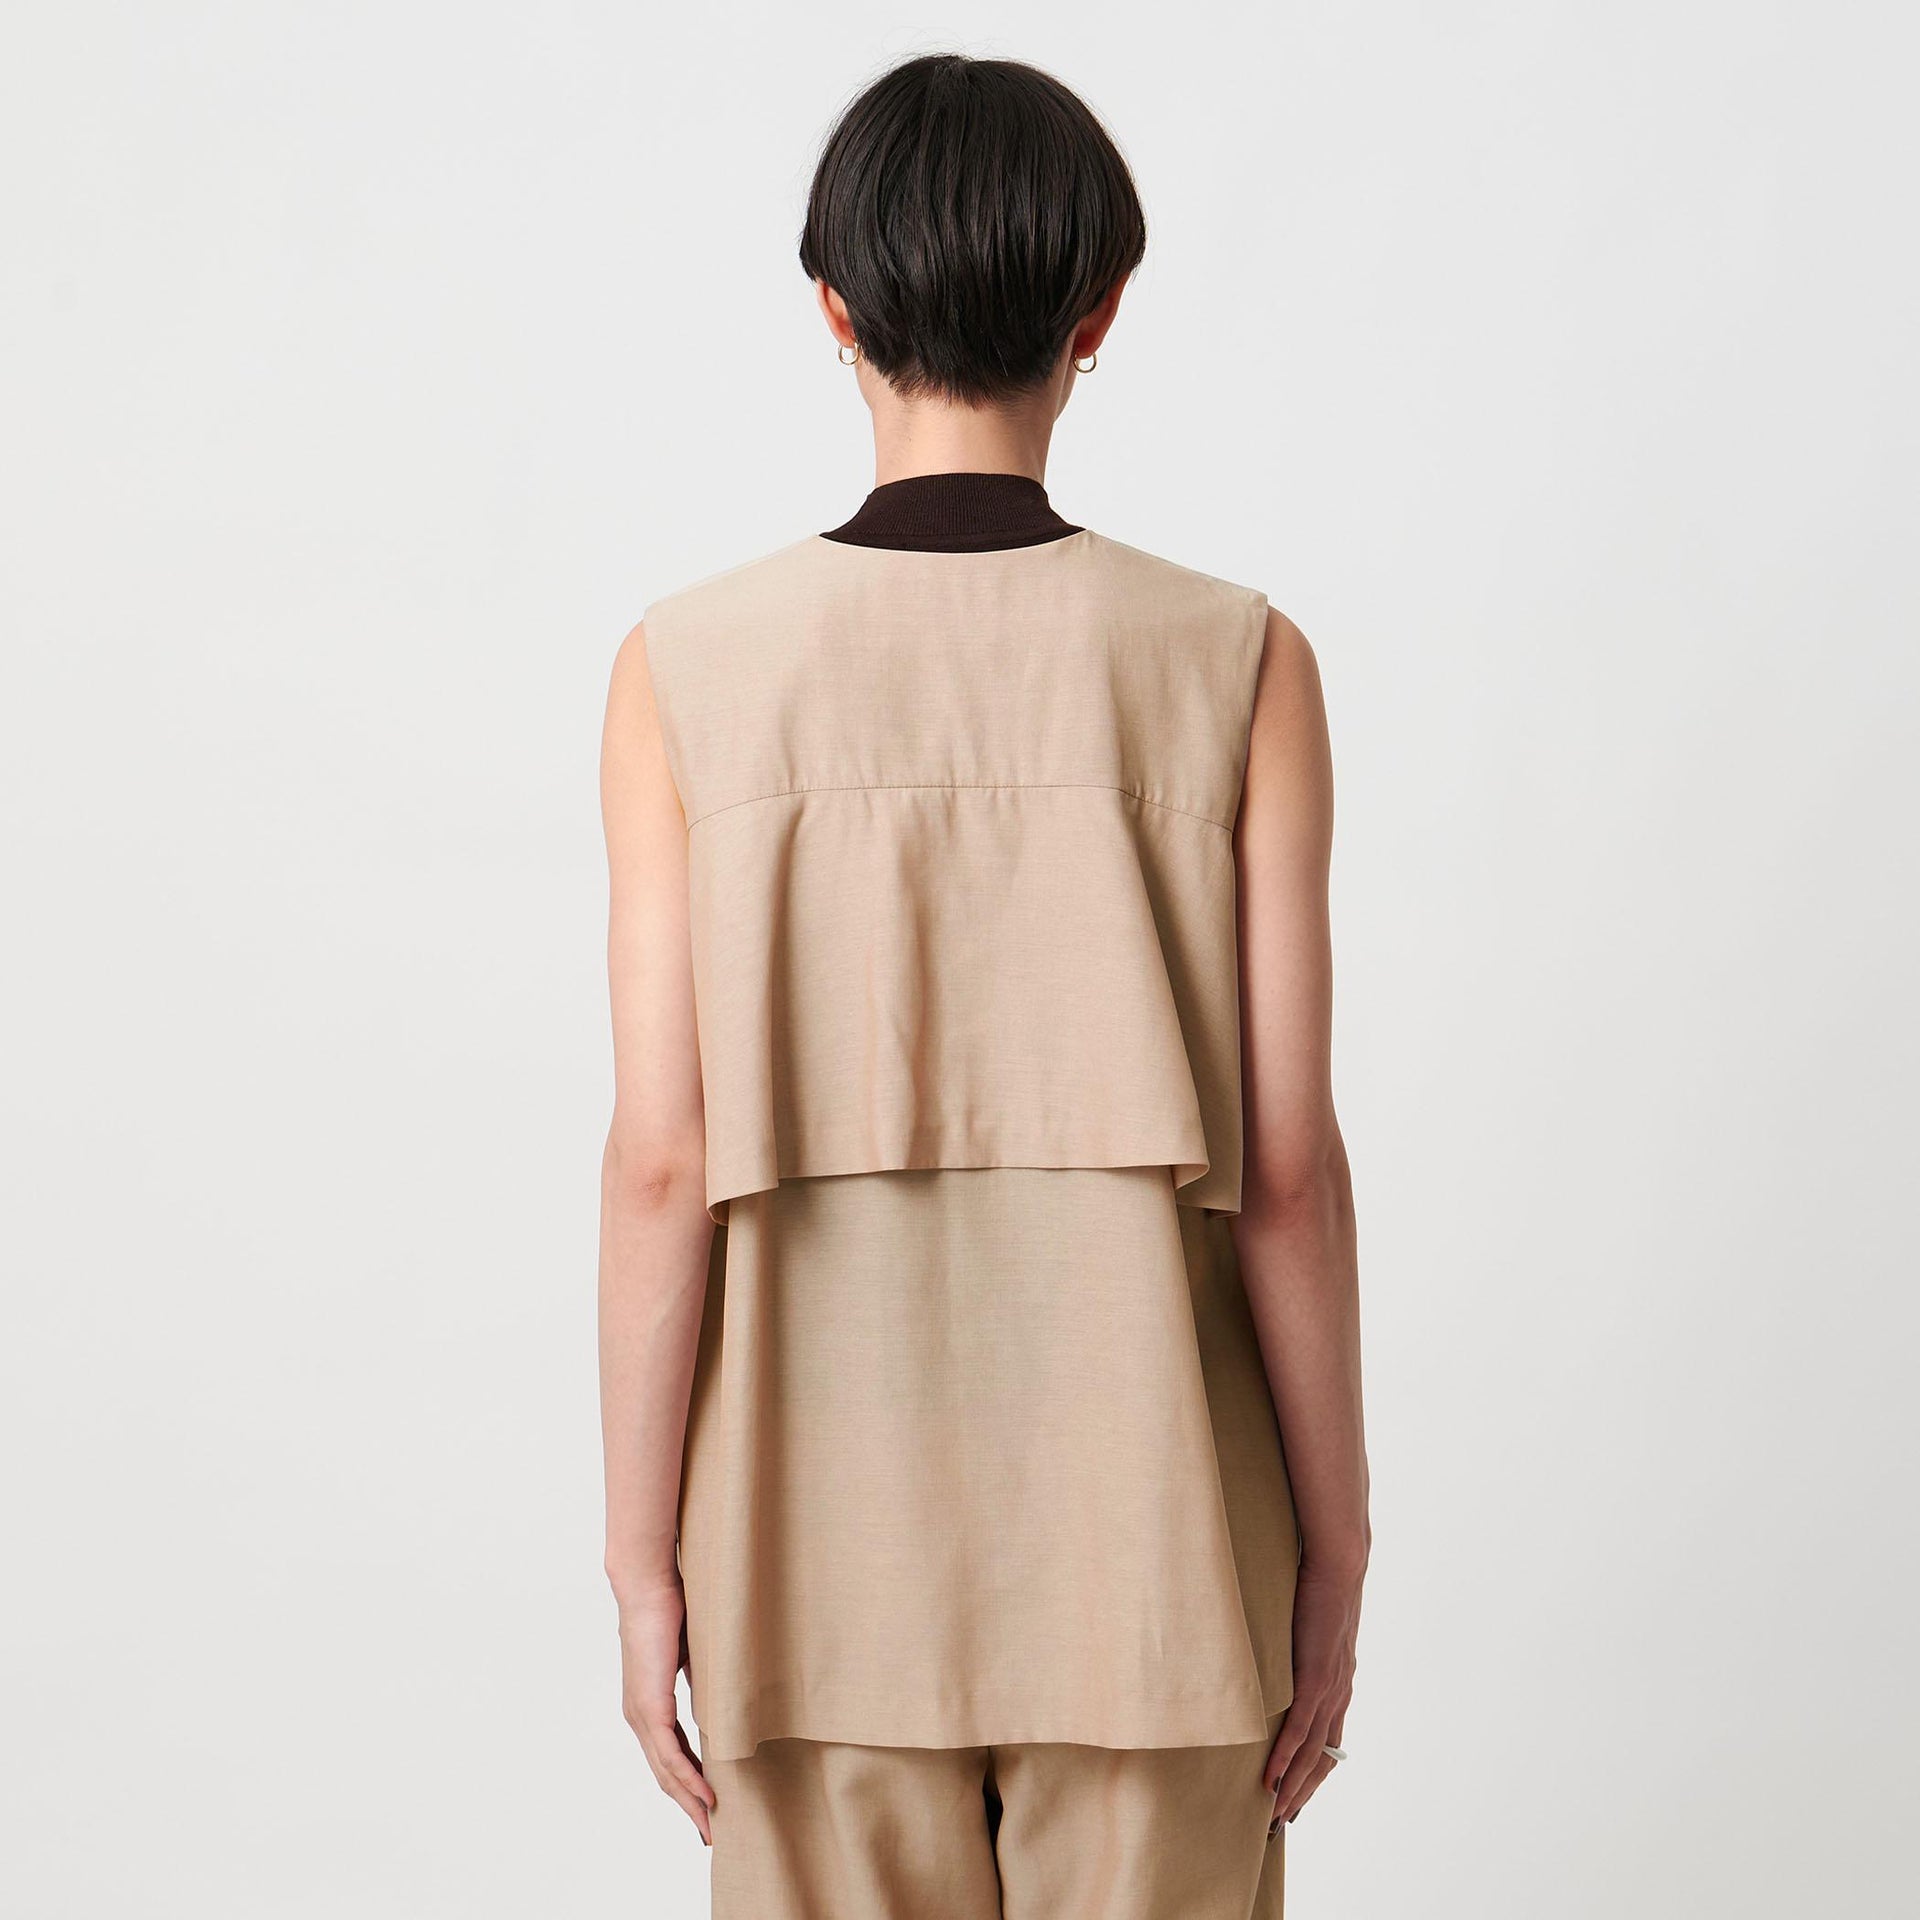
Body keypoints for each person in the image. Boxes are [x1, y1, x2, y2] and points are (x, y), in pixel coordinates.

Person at [597, 52, 1369, 1920]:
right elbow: (1285, 1173)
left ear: (834, 311)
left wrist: (641, 1567)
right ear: (1099, 310)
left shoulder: (685, 672)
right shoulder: (1239, 665)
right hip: (1164, 1562)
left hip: (804, 1567)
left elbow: (658, 1161)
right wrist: (1336, 1551)